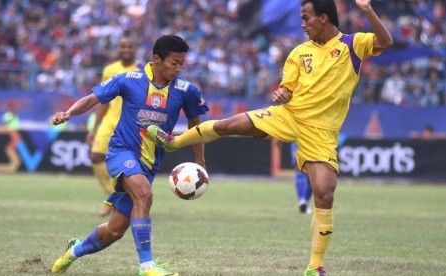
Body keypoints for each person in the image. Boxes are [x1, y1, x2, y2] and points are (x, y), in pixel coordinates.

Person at [148, 1, 393, 275]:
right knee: (229, 124)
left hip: (321, 132)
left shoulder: (352, 45)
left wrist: (367, 10)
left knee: (324, 194)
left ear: (323, 18)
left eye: (306, 18)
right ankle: (173, 141)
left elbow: (386, 41)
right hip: (289, 115)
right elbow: (287, 88)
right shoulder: (300, 53)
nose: (302, 23)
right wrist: (282, 94)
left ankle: (315, 266)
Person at [50, 35, 209, 276]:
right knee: (144, 194)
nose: (178, 68)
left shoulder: (186, 90)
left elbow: (196, 126)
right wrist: (69, 113)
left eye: (182, 64)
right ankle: (147, 267)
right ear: (157, 59)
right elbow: (93, 98)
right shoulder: (129, 80)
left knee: (114, 231)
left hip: (149, 165)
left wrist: (200, 162)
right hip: (120, 152)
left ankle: (73, 252)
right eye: (174, 62)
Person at [86, 36, 141, 217]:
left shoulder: (143, 70)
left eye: (130, 46)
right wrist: (94, 128)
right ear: (119, 49)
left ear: (135, 49)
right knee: (95, 157)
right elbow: (103, 100)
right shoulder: (110, 69)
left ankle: (129, 201)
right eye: (123, 46)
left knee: (133, 167)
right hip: (109, 120)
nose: (126, 49)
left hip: (131, 124)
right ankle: (113, 196)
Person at [291, 142, 313, 214]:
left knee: (301, 169)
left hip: (298, 140)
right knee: (310, 173)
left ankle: (303, 201)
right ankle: (304, 201)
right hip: (312, 142)